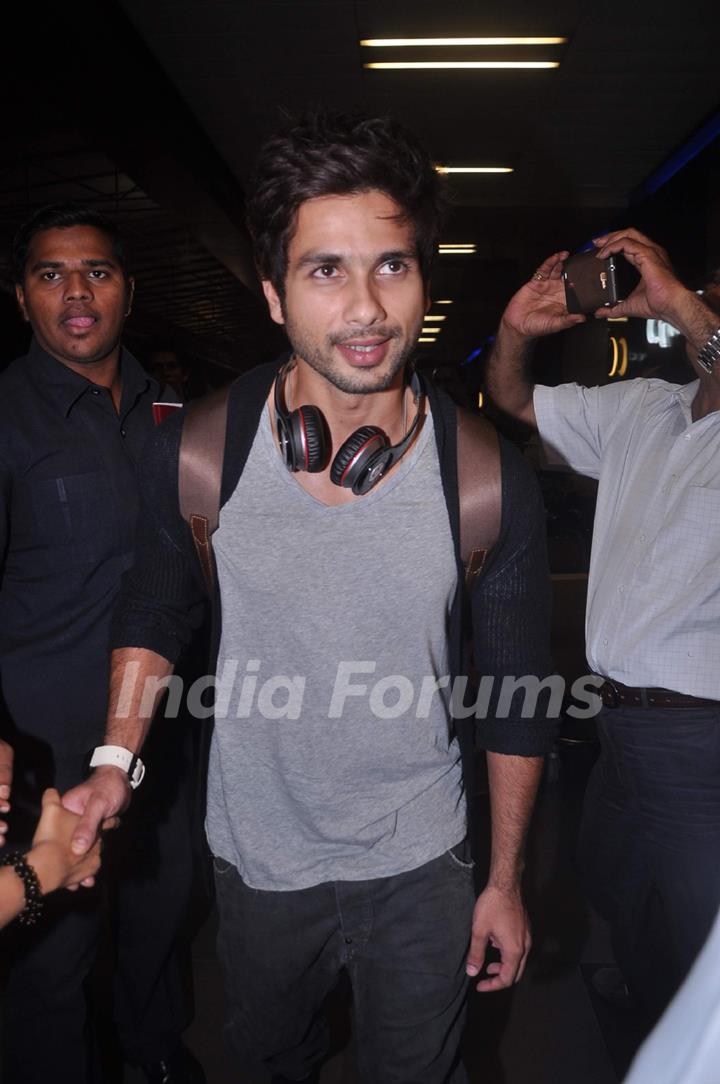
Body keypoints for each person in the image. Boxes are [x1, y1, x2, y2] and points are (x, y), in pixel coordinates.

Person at [63, 112, 555, 1084]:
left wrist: (503, 880)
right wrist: (116, 757)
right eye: (327, 270)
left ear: (423, 276)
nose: (367, 307)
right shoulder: (203, 451)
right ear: (275, 296)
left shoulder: (488, 478)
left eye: (393, 266)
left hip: (422, 857)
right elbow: (157, 606)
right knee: (268, 1062)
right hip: (257, 858)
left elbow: (516, 695)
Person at [486, 228, 720, 1035]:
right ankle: (653, 1006)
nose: (701, 322)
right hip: (615, 718)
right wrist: (515, 331)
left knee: (703, 945)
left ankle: (686, 1037)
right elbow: (513, 404)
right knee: (612, 880)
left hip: (697, 734)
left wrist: (682, 301)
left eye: (710, 316)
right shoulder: (644, 407)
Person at [0, 204, 204, 1084]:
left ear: (127, 290)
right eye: (51, 275)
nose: (76, 293)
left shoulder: (179, 419)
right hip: (48, 747)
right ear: (22, 298)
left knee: (163, 919)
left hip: (167, 730)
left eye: (97, 272)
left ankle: (153, 1055)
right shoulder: (6, 418)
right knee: (53, 960)